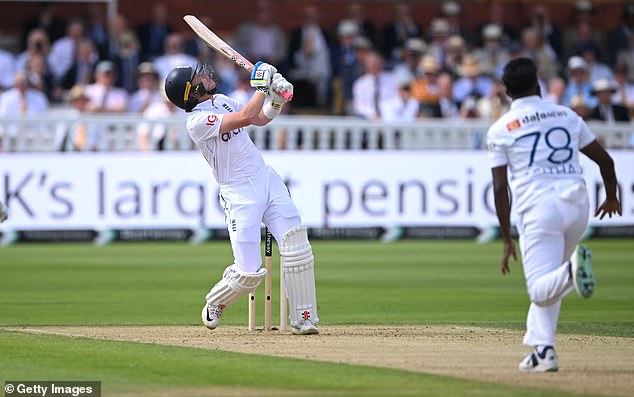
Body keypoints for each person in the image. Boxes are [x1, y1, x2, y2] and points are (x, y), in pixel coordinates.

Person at [164, 61, 320, 335]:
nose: (205, 74)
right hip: (239, 194)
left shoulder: (222, 100)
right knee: (249, 274)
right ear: (192, 91)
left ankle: (304, 318)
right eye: (198, 76)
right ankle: (216, 301)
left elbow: (259, 118)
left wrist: (276, 98)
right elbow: (247, 115)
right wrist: (262, 85)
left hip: (265, 178)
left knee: (296, 245)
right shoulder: (196, 122)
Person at [487, 57, 621, 372]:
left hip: (539, 209)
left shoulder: (500, 128)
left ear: (506, 91)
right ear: (538, 81)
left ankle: (574, 271)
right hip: (578, 206)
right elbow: (606, 162)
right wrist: (612, 197)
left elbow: (498, 188)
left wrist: (507, 239)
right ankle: (544, 350)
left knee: (540, 287)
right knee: (552, 279)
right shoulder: (567, 115)